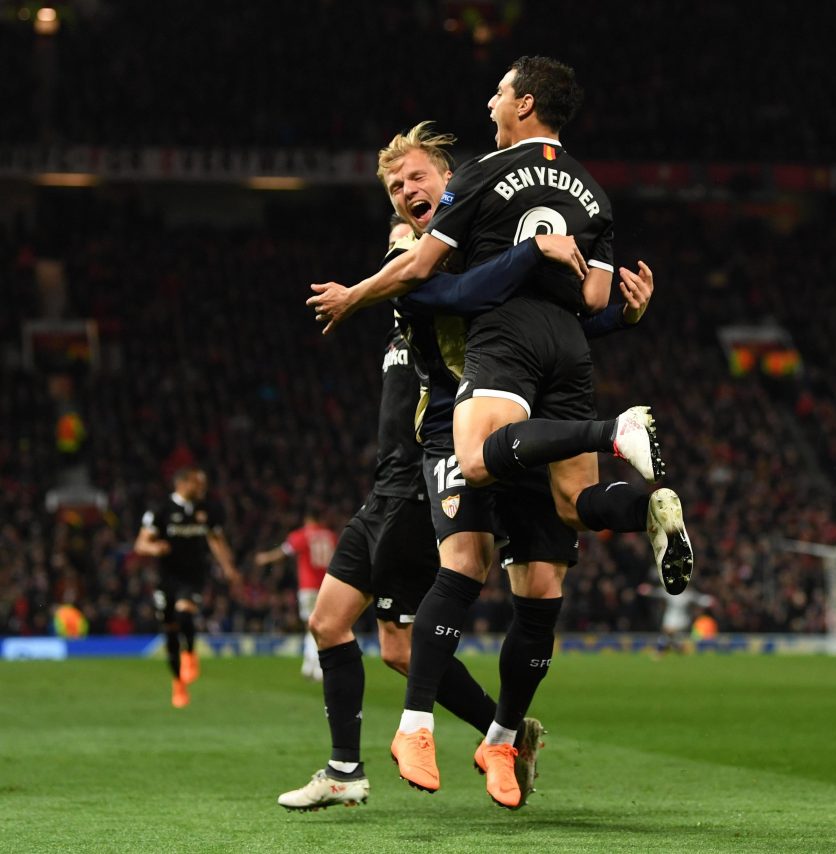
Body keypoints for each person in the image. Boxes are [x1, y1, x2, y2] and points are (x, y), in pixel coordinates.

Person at [340, 122, 662, 809]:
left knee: (543, 589)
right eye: (396, 186)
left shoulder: (482, 223)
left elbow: (559, 317)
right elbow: (454, 298)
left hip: (527, 418)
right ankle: (415, 727)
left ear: (447, 178)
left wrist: (622, 317)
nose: (405, 192)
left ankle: (504, 736)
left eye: (416, 177)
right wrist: (533, 252)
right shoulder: (409, 250)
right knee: (464, 562)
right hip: (454, 426)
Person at [307, 57, 693, 601]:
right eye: (396, 185)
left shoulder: (480, 185)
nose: (491, 103)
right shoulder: (590, 196)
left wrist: (353, 296)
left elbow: (445, 282)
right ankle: (641, 501)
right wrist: (615, 309)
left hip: (507, 374)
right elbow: (572, 299)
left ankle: (618, 445)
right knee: (568, 508)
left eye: (417, 177)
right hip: (536, 376)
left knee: (489, 487)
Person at [276, 216, 582, 811]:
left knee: (396, 646)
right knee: (328, 622)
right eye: (390, 244)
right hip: (382, 491)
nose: (397, 252)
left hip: (421, 491)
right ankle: (345, 772)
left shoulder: (456, 315)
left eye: (407, 245)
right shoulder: (404, 320)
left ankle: (507, 735)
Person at [134, 467, 241, 708]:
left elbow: (216, 540)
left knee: (185, 612)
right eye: (197, 483)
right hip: (167, 578)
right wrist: (155, 548)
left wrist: (228, 567)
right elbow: (140, 544)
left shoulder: (208, 510)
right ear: (182, 483)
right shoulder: (160, 510)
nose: (202, 487)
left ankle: (190, 654)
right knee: (170, 631)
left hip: (193, 576)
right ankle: (178, 683)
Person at [254, 502, 337, 681]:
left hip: (308, 588)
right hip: (329, 586)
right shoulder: (331, 536)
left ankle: (315, 666)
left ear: (307, 518)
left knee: (313, 626)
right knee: (320, 626)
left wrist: (265, 558)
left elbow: (284, 551)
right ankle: (310, 665)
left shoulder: (302, 535)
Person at [637, 581, 715, 656]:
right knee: (670, 637)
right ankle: (677, 649)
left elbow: (699, 599)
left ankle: (660, 651)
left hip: (681, 619)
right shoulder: (672, 592)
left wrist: (709, 601)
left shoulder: (688, 594)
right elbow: (658, 592)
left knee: (668, 633)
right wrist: (648, 590)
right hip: (670, 617)